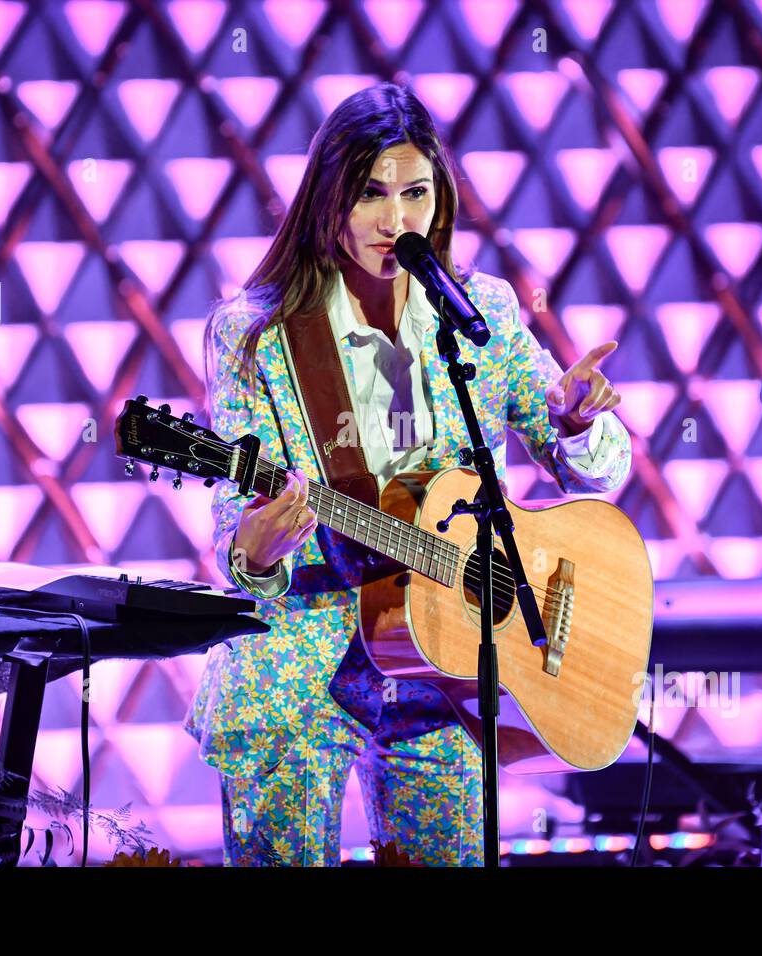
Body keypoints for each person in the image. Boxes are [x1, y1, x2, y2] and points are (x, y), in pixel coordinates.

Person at [183, 81, 632, 866]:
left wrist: (577, 424)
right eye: (370, 195)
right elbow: (236, 526)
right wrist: (254, 554)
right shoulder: (255, 333)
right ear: (329, 199)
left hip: (450, 666)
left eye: (415, 193)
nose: (396, 221)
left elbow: (598, 475)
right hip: (299, 669)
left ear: (442, 198)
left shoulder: (478, 311)